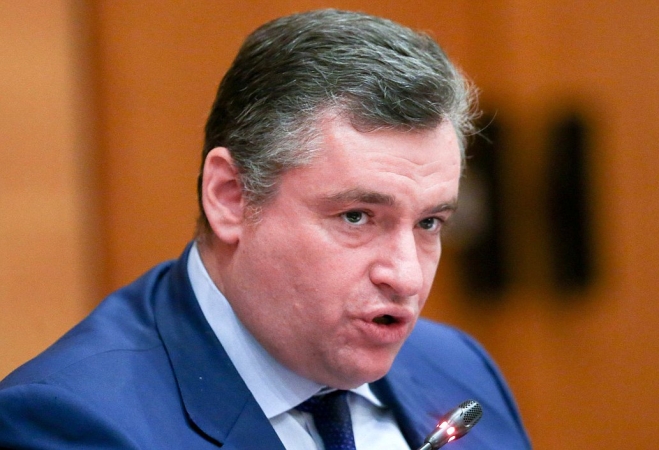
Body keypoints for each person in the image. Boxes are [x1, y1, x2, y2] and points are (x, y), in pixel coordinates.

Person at [0, 9, 531, 449]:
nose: (407, 277)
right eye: (356, 217)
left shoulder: (459, 370)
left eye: (429, 223)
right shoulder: (72, 422)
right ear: (230, 197)